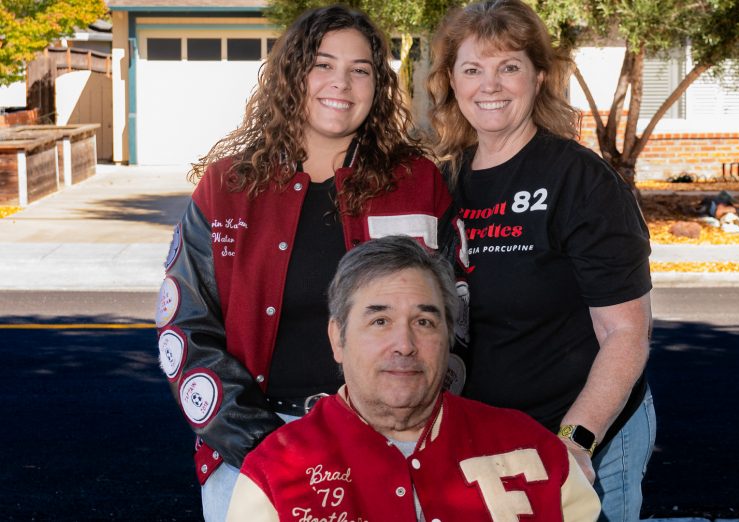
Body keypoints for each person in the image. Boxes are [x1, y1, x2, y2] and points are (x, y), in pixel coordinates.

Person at [154, 6, 455, 520]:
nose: (342, 82)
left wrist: (401, 424)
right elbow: (183, 328)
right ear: (293, 74)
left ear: (377, 85)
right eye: (323, 64)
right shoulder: (228, 187)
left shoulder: (418, 182)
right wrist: (263, 445)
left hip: (395, 448)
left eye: (360, 69)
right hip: (252, 455)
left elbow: (456, 318)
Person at [427, 1, 655, 520]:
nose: (491, 85)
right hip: (483, 437)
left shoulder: (581, 181)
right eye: (473, 69)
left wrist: (574, 441)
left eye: (509, 67)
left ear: (538, 77)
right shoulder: (444, 183)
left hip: (582, 431)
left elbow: (625, 333)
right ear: (450, 83)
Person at [225, 235, 600, 521]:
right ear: (337, 339)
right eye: (379, 321)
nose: (404, 345)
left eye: (424, 321)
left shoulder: (533, 447)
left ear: (448, 338)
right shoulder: (273, 473)